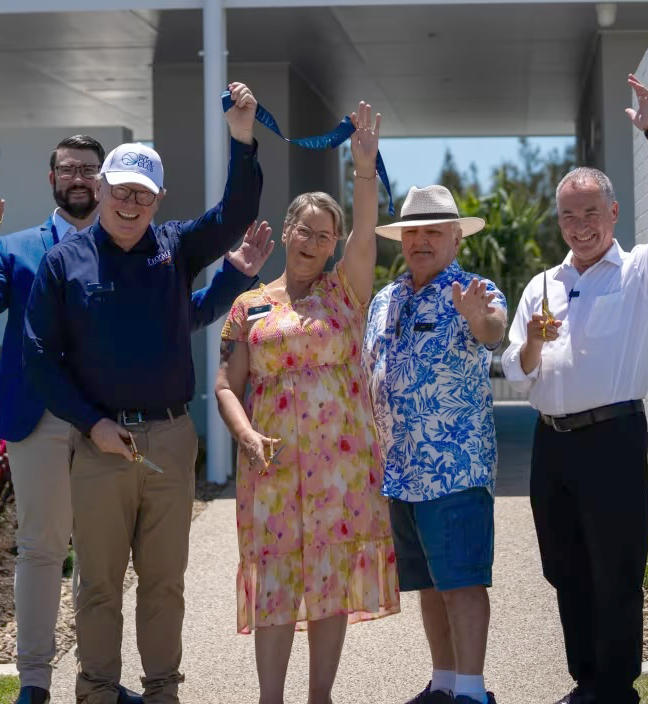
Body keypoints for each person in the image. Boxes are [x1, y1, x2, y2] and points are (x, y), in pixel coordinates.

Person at [0, 135, 271, 704]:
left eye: (144, 196)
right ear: (102, 190)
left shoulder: (174, 247)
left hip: (170, 438)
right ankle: (97, 692)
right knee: (97, 584)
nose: (131, 204)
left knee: (163, 583)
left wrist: (243, 141)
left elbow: (234, 217)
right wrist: (90, 423)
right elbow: (37, 357)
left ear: (159, 199)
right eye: (121, 190)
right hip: (100, 440)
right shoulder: (61, 261)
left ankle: (161, 693)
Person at [501, 74, 648, 704]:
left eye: (592, 212)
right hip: (551, 443)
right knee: (564, 567)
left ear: (613, 213)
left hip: (612, 436)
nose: (580, 225)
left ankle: (616, 688)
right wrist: (529, 341)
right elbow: (515, 368)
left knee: (615, 567)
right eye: (569, 214)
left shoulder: (641, 271)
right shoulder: (542, 284)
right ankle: (586, 681)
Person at [215, 101, 398, 704]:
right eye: (305, 229)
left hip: (339, 472)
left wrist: (363, 169)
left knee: (327, 584)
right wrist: (243, 434)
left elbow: (368, 232)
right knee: (274, 586)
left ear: (333, 245)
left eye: (326, 234)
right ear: (287, 231)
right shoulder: (250, 304)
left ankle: (319, 697)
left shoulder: (346, 291)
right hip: (268, 468)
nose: (314, 240)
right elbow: (224, 384)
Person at [363, 184, 508, 704]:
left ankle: (473, 691)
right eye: (413, 232)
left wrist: (477, 317)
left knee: (462, 582)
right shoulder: (386, 299)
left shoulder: (474, 288)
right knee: (427, 583)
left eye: (433, 232)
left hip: (455, 468)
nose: (421, 241)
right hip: (401, 472)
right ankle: (444, 683)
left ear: (455, 239)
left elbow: (494, 331)